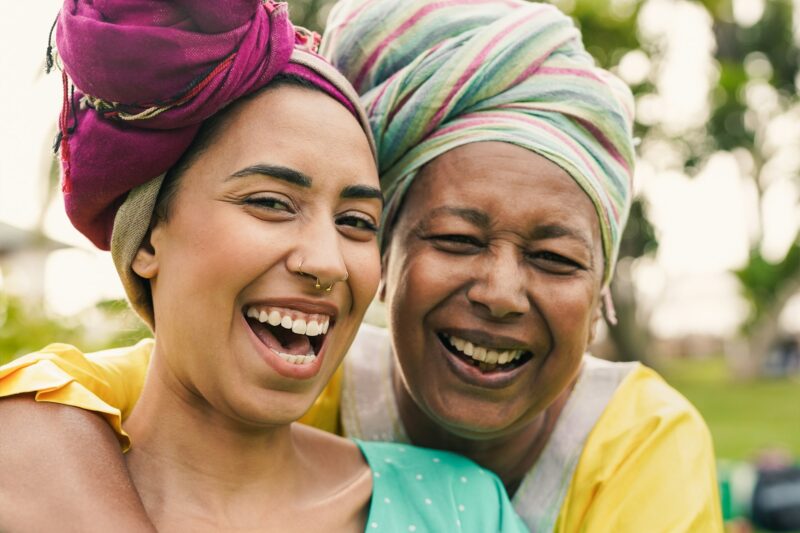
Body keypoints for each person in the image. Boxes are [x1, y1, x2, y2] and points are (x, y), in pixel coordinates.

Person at [0, 0, 723, 531]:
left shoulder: (625, 452)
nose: (502, 293)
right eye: (458, 240)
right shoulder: (291, 371)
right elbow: (48, 395)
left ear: (602, 291)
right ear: (396, 255)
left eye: (556, 257)